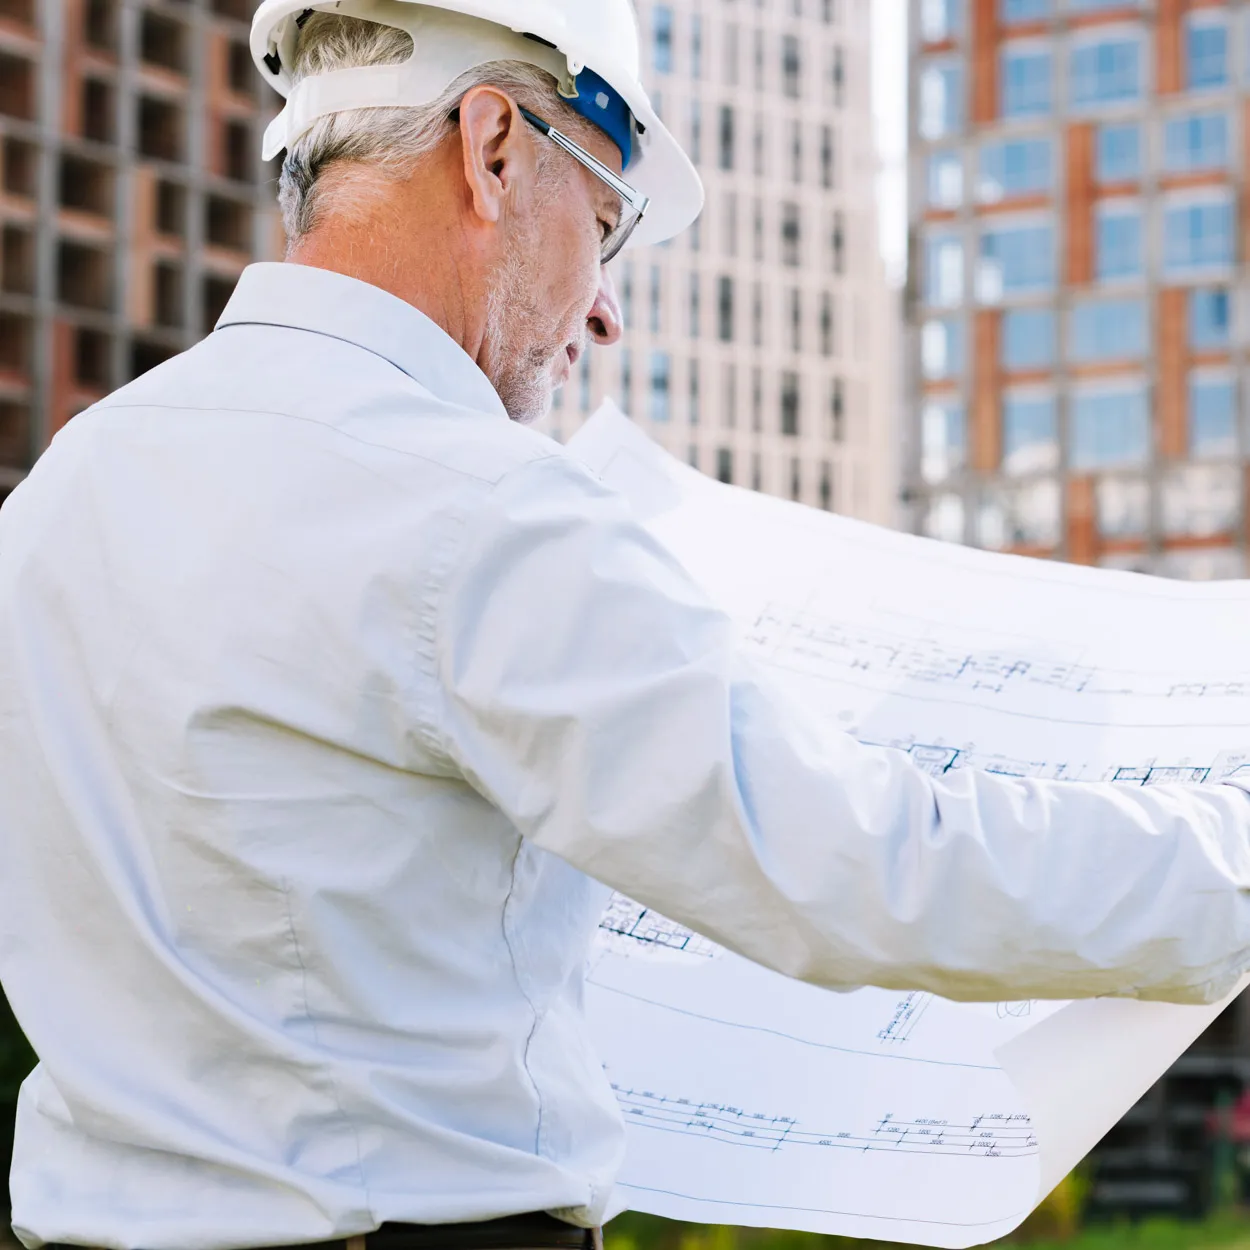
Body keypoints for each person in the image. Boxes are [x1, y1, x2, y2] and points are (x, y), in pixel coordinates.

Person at [1, 2, 1249, 1247]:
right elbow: (849, 862)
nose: (604, 312)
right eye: (603, 225)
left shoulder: (66, 483)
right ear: (491, 146)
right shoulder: (469, 501)